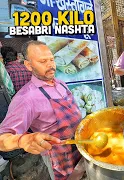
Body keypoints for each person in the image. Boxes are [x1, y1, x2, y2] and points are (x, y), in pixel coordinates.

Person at [0, 40, 82, 180]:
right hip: (59, 159)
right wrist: (23, 140)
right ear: (28, 65)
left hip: (81, 148)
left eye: (51, 59)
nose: (50, 65)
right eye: (43, 61)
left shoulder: (61, 84)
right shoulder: (26, 98)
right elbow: (2, 139)